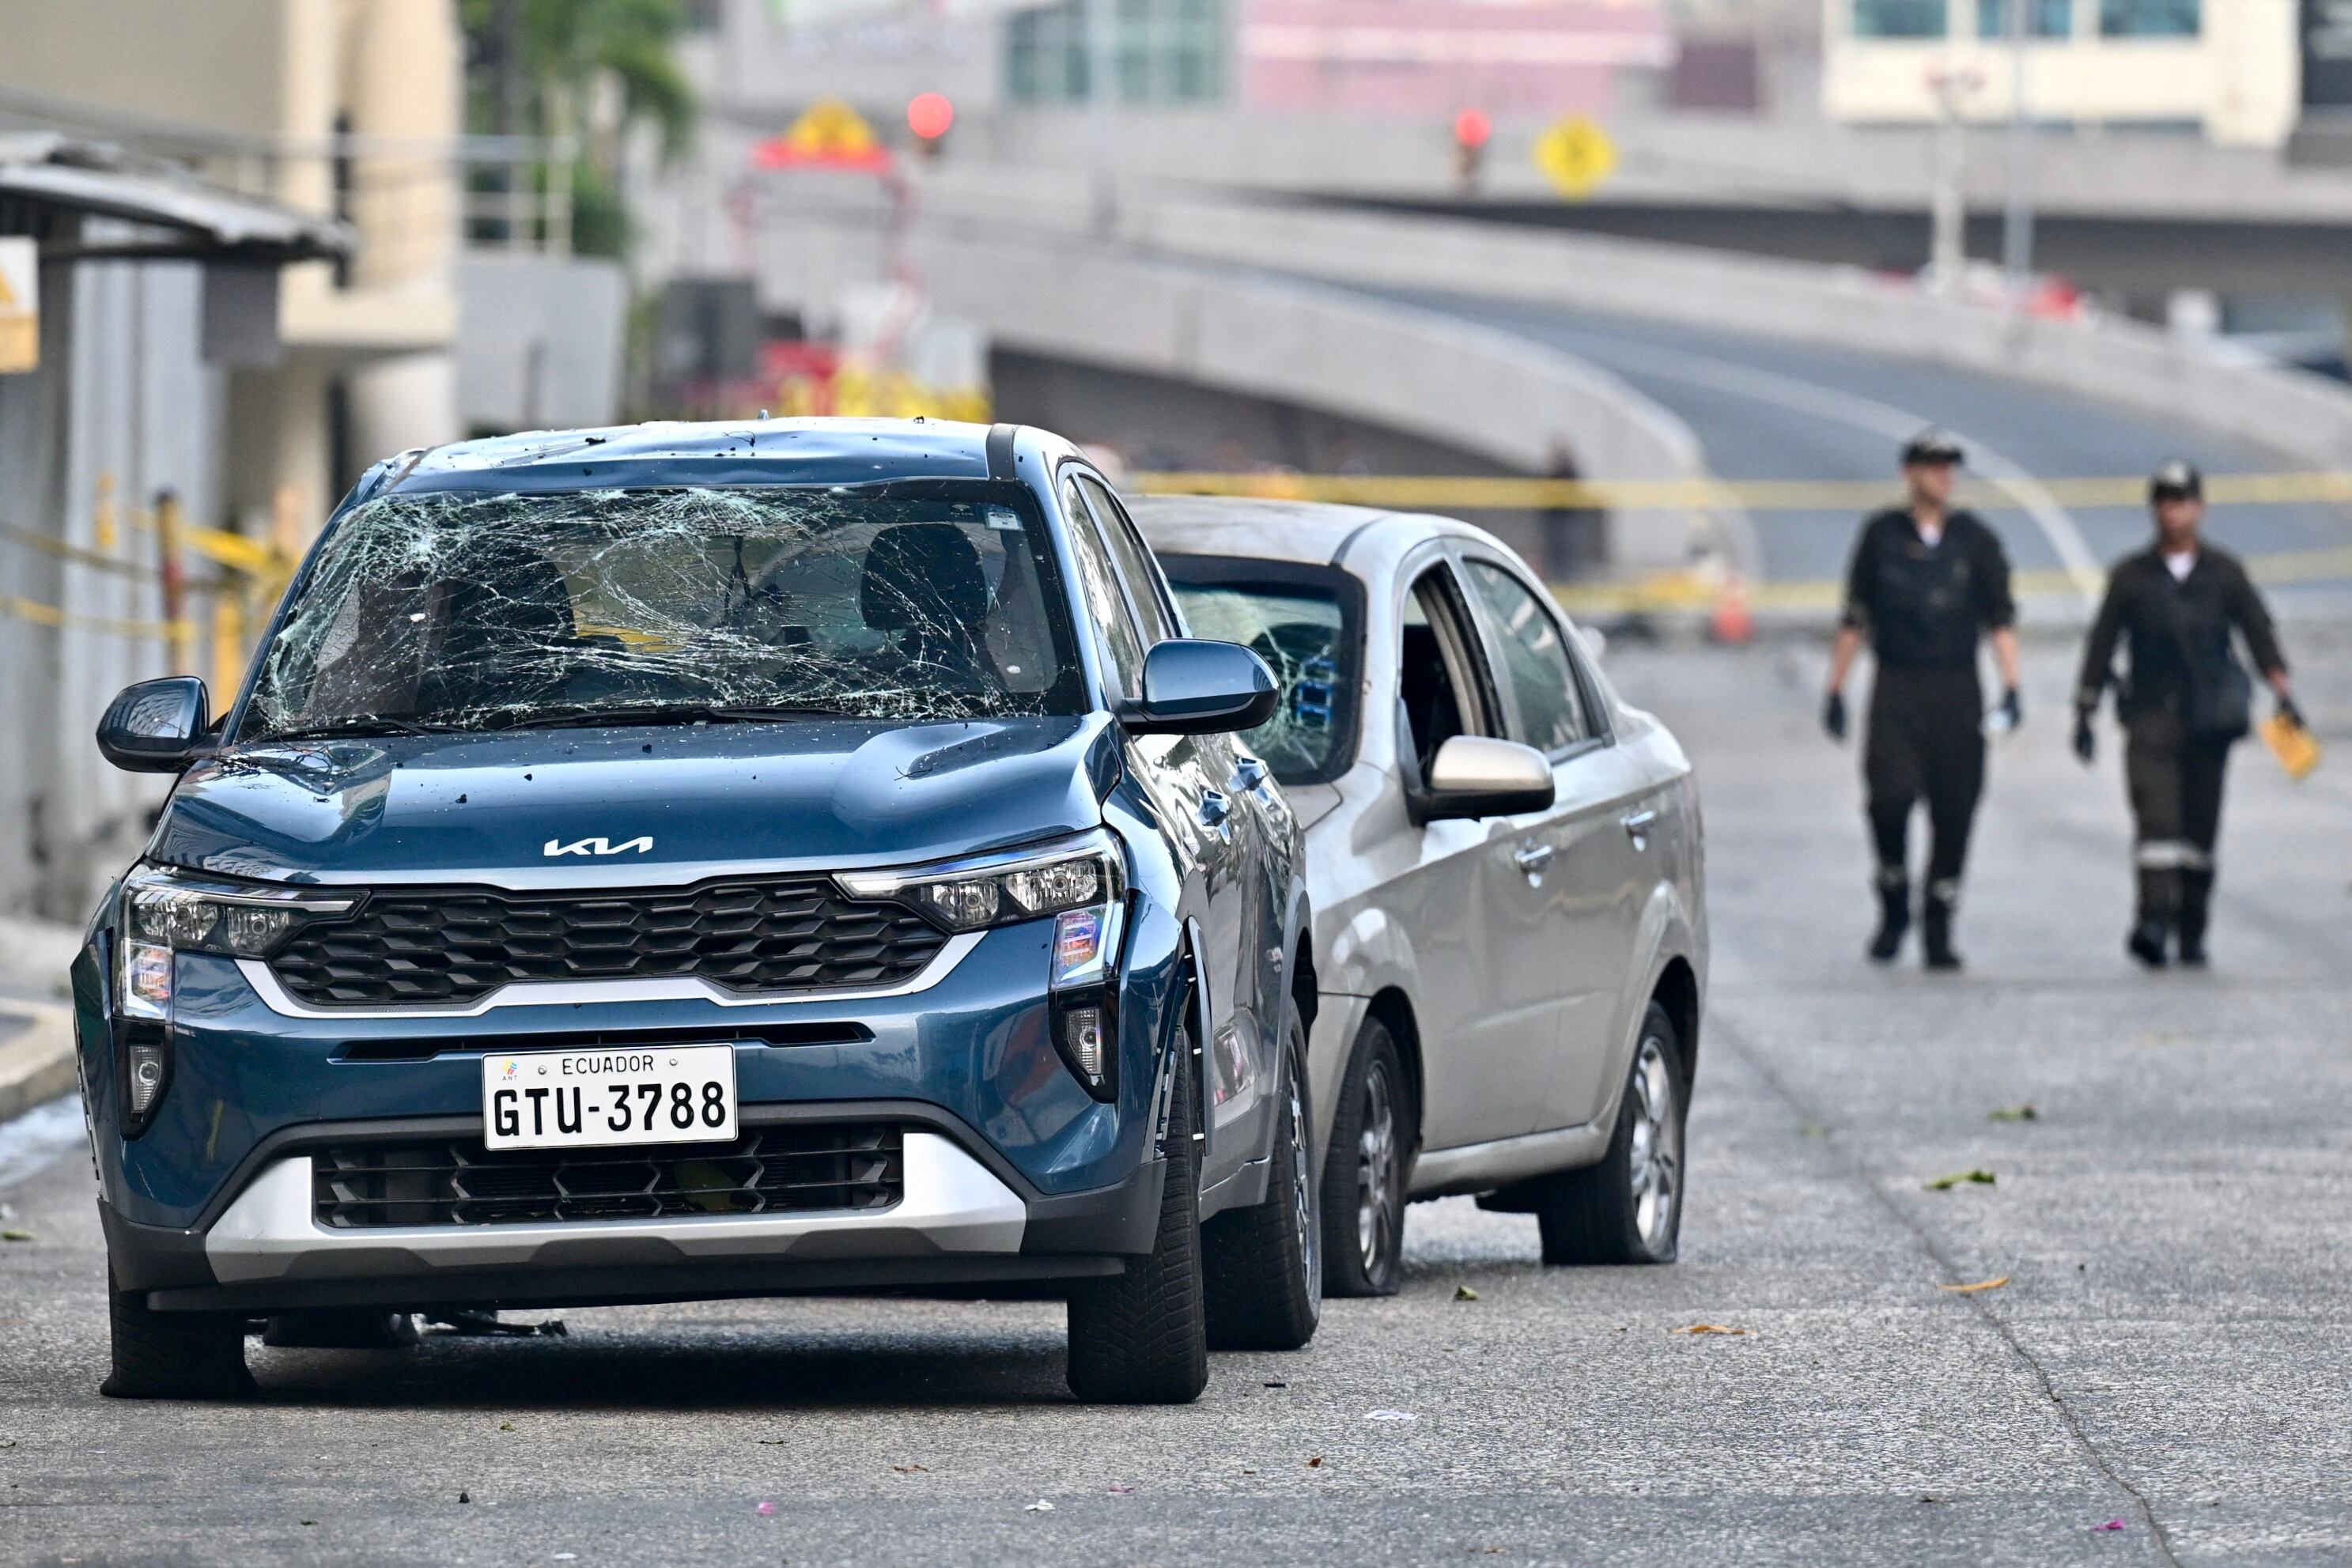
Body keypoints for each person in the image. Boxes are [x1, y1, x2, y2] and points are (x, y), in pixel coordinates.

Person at [2071, 460, 2297, 969]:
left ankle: (2191, 926)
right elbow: (2102, 644)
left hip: (2208, 723)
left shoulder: (2225, 574)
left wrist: (2282, 694)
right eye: (2164, 503)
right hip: (2150, 715)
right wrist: (2084, 711)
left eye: (2181, 502)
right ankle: (2151, 920)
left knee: (2199, 833)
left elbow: (2259, 635)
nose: (2172, 512)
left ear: (2200, 508)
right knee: (2157, 824)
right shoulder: (2132, 577)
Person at [1823, 430, 2021, 970]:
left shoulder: (1975, 540)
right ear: (1908, 472)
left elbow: (2001, 617)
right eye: (1932, 465)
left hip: (1957, 688)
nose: (1943, 475)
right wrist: (1836, 687)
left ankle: (1938, 924)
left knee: (1955, 809)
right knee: (1887, 800)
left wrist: (2012, 686)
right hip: (1897, 684)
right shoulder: (1881, 535)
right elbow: (1856, 614)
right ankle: (1892, 905)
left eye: (1949, 466)